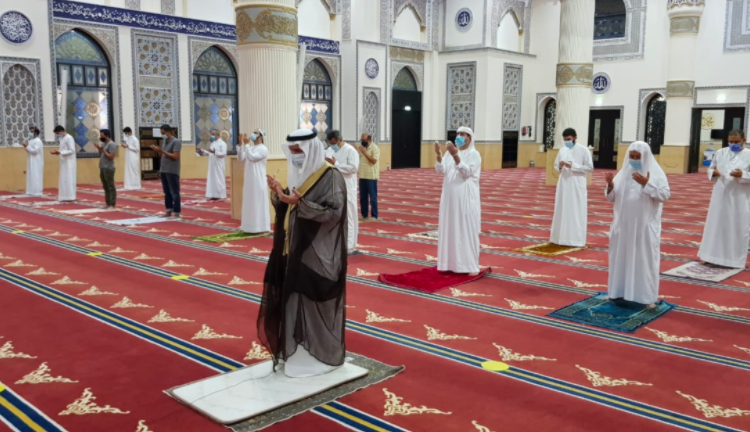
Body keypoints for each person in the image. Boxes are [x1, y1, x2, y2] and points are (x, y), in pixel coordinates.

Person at [259, 128, 347, 378]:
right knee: (293, 301)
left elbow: (334, 212)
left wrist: (301, 204)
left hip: (317, 253)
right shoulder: (299, 174)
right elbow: (290, 205)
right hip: (293, 250)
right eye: (292, 151)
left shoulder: (330, 176)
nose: (296, 155)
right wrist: (280, 193)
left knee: (313, 302)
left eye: (299, 150)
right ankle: (296, 353)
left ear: (311, 149)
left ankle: (319, 356)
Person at [605, 141, 670, 308]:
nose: (634, 160)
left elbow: (664, 195)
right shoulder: (623, 173)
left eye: (637, 157)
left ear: (645, 157)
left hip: (644, 226)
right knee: (620, 258)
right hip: (622, 225)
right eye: (631, 156)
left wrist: (647, 184)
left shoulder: (655, 173)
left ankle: (646, 297)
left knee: (644, 260)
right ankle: (616, 292)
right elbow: (611, 198)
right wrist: (610, 185)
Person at [698, 130, 750, 268]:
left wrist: (743, 174)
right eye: (731, 141)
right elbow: (710, 169)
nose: (733, 144)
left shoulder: (748, 155)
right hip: (720, 196)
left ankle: (733, 260)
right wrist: (713, 173)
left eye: (736, 142)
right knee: (715, 225)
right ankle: (709, 255)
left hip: (739, 197)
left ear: (743, 141)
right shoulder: (720, 153)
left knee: (736, 227)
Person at [434, 126, 482, 275]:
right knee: (450, 228)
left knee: (465, 229)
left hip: (465, 199)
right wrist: (439, 155)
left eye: (463, 134)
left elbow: (466, 172)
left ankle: (470, 266)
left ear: (469, 138)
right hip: (449, 199)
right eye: (458, 134)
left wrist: (455, 155)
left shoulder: (474, 155)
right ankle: (449, 264)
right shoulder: (449, 153)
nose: (459, 136)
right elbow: (441, 170)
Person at [550, 128, 593, 247]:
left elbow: (589, 168)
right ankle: (559, 238)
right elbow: (556, 167)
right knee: (562, 208)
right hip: (563, 183)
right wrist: (560, 166)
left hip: (576, 184)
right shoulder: (562, 150)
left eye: (568, 139)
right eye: (565, 140)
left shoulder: (583, 150)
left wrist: (573, 165)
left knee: (575, 210)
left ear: (575, 137)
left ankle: (575, 239)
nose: (566, 142)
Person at [325, 130, 360, 253]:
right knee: (337, 215)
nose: (332, 145)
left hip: (348, 187)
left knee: (349, 215)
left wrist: (336, 164)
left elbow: (353, 168)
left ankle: (349, 246)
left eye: (334, 143)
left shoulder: (350, 151)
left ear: (341, 139)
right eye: (330, 143)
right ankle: (338, 243)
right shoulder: (330, 150)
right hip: (334, 186)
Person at [238, 129, 270, 234]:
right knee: (249, 202)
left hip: (258, 179)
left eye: (256, 133)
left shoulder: (263, 148)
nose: (252, 134)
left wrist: (247, 145)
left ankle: (260, 227)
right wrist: (241, 145)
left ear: (261, 137)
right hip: (249, 179)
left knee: (257, 202)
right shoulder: (250, 148)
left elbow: (252, 158)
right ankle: (248, 226)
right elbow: (240, 158)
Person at [151, 124, 182, 218]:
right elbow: (165, 154)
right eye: (161, 133)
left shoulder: (176, 142)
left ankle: (176, 212)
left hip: (172, 170)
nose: (162, 135)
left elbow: (175, 157)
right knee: (166, 192)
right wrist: (157, 150)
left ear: (169, 132)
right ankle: (168, 210)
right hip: (164, 169)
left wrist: (162, 151)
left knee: (174, 192)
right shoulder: (164, 141)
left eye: (163, 133)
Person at [51, 125, 77, 202]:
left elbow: (72, 150)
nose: (58, 135)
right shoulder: (63, 139)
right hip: (64, 161)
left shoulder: (69, 138)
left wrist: (60, 152)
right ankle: (64, 196)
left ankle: (70, 196)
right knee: (64, 179)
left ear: (62, 131)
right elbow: (63, 149)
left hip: (69, 162)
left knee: (68, 178)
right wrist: (57, 152)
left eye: (58, 133)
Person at [357, 133, 379, 220]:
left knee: (373, 197)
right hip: (362, 175)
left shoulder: (375, 148)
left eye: (364, 140)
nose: (362, 142)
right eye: (361, 140)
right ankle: (364, 214)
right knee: (363, 197)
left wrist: (364, 153)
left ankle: (374, 215)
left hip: (371, 176)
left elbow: (374, 161)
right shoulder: (361, 148)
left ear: (369, 140)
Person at [95, 129, 117, 209]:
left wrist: (103, 150)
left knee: (111, 186)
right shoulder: (103, 144)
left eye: (102, 135)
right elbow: (101, 155)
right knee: (105, 186)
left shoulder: (112, 144)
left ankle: (112, 204)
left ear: (107, 135)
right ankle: (108, 203)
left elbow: (111, 157)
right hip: (102, 167)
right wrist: (99, 149)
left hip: (109, 168)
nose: (100, 137)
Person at [203, 129, 228, 200]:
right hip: (212, 164)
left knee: (220, 179)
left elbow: (223, 154)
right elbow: (211, 152)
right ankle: (213, 194)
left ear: (218, 135)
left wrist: (215, 152)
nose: (212, 136)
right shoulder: (213, 143)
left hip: (219, 164)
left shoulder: (223, 143)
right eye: (212, 134)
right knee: (212, 179)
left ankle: (222, 195)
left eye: (213, 134)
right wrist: (203, 151)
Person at [23, 127, 44, 196]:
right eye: (30, 131)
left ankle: (37, 191)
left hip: (36, 161)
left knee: (36, 175)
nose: (30, 133)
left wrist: (28, 147)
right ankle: (30, 190)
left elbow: (35, 151)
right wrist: (26, 147)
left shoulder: (38, 141)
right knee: (31, 175)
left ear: (36, 133)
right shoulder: (31, 141)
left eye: (32, 132)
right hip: (31, 160)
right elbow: (29, 151)